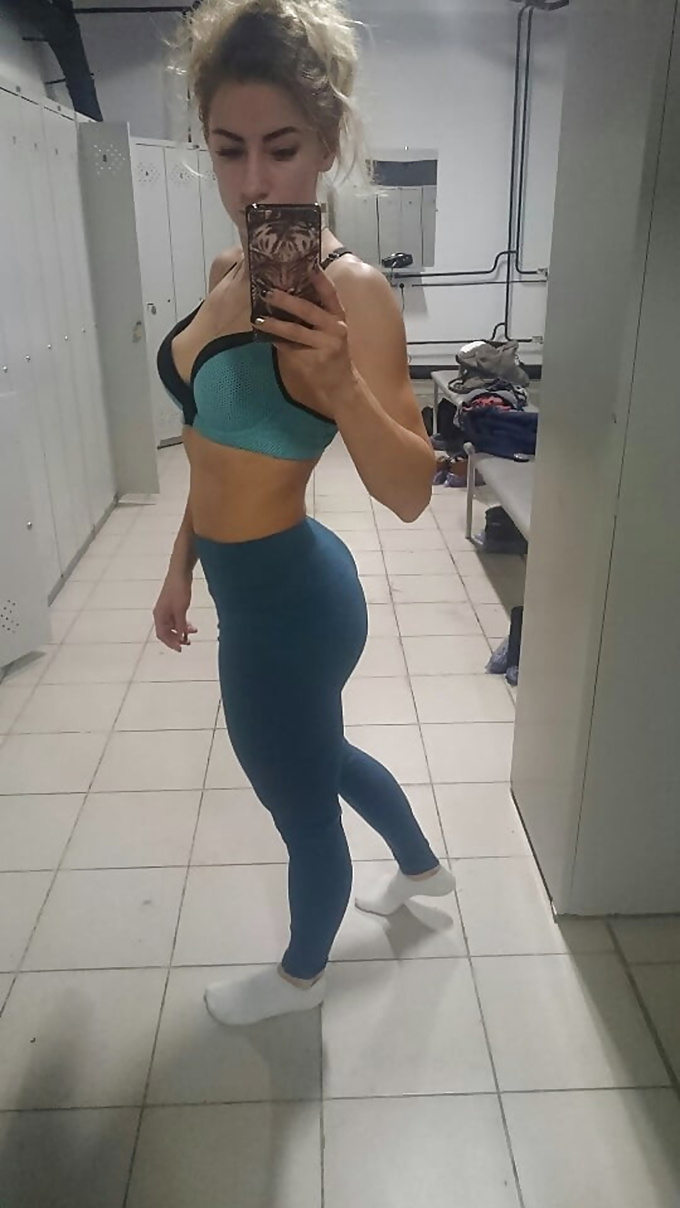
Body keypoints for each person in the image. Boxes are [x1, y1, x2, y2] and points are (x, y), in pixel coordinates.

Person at [154, 0, 455, 1026]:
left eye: (280, 149)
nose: (252, 182)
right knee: (319, 756)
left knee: (297, 801)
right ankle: (422, 868)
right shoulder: (226, 271)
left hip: (289, 610)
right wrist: (179, 564)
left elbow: (410, 491)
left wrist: (342, 385)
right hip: (255, 581)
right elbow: (206, 441)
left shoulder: (349, 289)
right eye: (227, 149)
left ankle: (300, 978)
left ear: (326, 145)